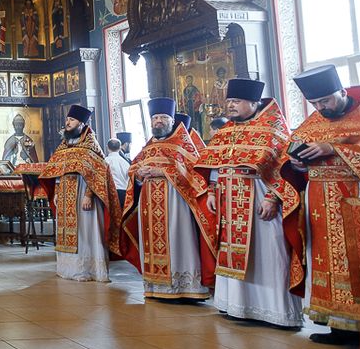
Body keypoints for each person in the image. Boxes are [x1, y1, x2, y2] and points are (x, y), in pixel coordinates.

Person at [195, 78, 304, 328]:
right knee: (231, 251)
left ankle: (276, 312)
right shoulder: (225, 131)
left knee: (269, 252)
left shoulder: (273, 129)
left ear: (254, 103)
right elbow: (215, 164)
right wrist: (211, 192)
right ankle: (237, 305)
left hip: (259, 198)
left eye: (237, 101)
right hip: (228, 200)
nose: (230, 105)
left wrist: (272, 197)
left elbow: (283, 168)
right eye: (229, 101)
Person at [289, 65, 360, 346]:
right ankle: (339, 327)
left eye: (325, 101)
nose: (321, 108)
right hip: (319, 200)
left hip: (358, 200)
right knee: (325, 261)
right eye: (315, 104)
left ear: (341, 92)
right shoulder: (316, 120)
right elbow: (294, 148)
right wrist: (297, 161)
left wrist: (334, 148)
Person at [122, 98, 216, 301]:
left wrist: (163, 171)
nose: (158, 121)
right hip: (148, 203)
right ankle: (155, 286)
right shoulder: (147, 147)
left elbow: (194, 173)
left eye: (163, 117)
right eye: (155, 118)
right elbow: (133, 169)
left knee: (178, 240)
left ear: (172, 121)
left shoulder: (182, 144)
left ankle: (184, 287)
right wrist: (138, 174)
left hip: (175, 203)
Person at [38, 106, 122, 282]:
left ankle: (88, 270)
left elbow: (98, 173)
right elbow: (58, 170)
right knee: (67, 231)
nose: (68, 123)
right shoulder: (64, 145)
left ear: (82, 124)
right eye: (67, 119)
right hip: (66, 193)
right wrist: (57, 191)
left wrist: (89, 195)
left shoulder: (91, 145)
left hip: (84, 193)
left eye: (72, 120)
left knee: (86, 231)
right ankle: (69, 269)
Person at [105, 138, 131, 208]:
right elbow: (129, 179)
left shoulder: (104, 161)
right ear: (120, 148)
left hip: (110, 193)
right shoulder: (126, 162)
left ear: (107, 147)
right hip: (124, 193)